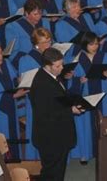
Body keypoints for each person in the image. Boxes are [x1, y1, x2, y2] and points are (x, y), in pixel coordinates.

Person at [30, 47, 80, 180]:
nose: (61, 68)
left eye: (62, 64)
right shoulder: (42, 84)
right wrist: (71, 110)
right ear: (47, 66)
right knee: (52, 173)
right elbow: (47, 113)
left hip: (57, 135)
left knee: (57, 172)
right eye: (58, 66)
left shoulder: (51, 76)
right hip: (51, 138)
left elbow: (58, 101)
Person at [69, 32, 107, 163]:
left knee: (104, 123)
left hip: (103, 95)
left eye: (96, 43)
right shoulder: (76, 59)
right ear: (84, 44)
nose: (95, 47)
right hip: (86, 95)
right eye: (91, 44)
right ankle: (85, 153)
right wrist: (79, 80)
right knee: (85, 125)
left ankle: (106, 151)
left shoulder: (106, 56)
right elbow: (70, 81)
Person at [18, 27, 53, 160]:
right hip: (36, 101)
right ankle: (37, 159)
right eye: (45, 42)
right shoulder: (26, 59)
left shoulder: (51, 56)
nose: (49, 45)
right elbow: (26, 83)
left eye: (49, 41)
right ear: (36, 44)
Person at [5, 0, 50, 68]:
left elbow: (50, 41)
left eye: (40, 13)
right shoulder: (12, 27)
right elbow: (13, 53)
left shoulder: (45, 22)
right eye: (35, 14)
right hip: (28, 64)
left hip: (47, 61)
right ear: (26, 13)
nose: (38, 17)